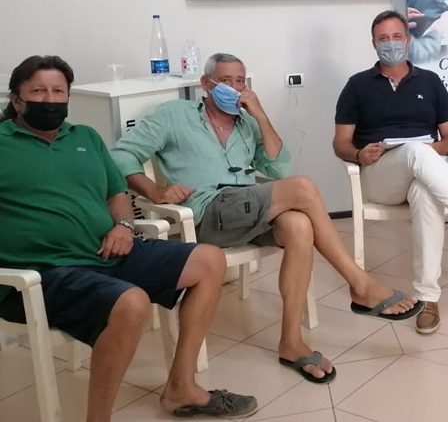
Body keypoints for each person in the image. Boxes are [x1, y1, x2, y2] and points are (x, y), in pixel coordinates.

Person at [110, 52, 423, 385]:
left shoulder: (247, 123)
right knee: (302, 187)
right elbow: (119, 155)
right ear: (206, 84)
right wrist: (155, 190)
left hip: (248, 210)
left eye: (240, 81)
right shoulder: (175, 115)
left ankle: (291, 341)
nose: (234, 88)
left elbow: (278, 168)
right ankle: (360, 284)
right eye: (225, 81)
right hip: (208, 213)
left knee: (299, 225)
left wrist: (259, 114)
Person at [0, 56, 256, 421]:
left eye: (58, 91)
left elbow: (116, 194)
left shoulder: (85, 138)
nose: (50, 99)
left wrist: (123, 226)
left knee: (209, 260)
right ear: (17, 99)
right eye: (38, 91)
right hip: (43, 272)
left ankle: (181, 387)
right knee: (131, 302)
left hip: (106, 252)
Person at [333, 9, 448, 335]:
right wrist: (359, 154)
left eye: (396, 36)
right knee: (415, 152)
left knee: (425, 192)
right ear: (374, 44)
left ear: (407, 40)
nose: (391, 43)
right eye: (383, 39)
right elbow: (340, 143)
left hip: (421, 169)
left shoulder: (430, 81)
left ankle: (428, 299)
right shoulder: (357, 86)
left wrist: (424, 153)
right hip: (380, 175)